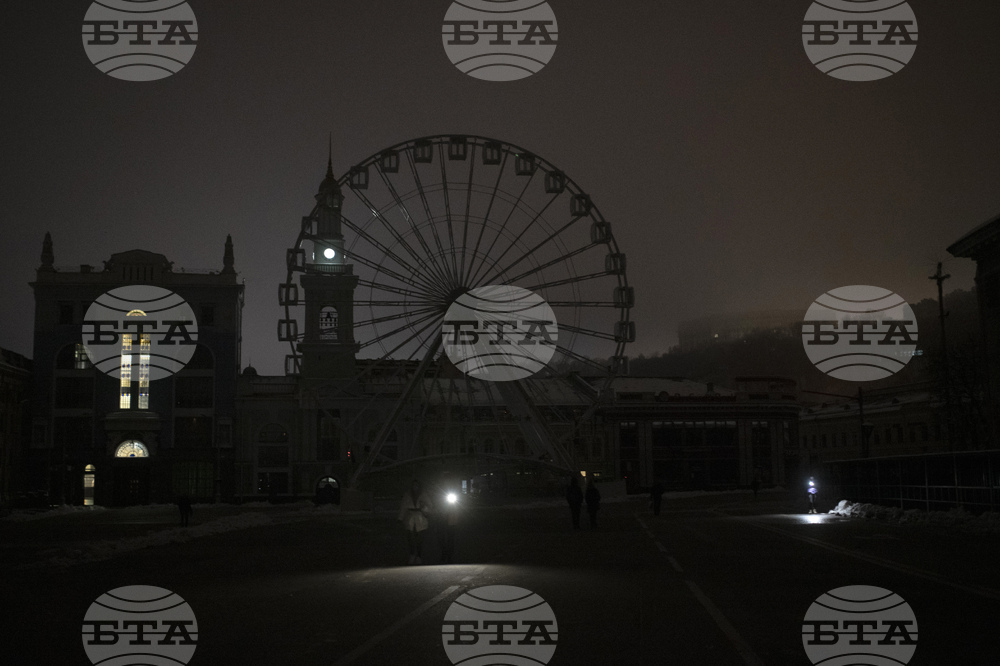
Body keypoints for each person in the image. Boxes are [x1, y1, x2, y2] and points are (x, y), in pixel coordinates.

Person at [398, 479, 432, 564]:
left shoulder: (423, 494)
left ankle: (419, 556)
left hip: (420, 518)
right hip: (410, 518)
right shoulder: (407, 495)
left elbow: (430, 505)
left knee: (419, 539)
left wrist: (424, 509)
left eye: (417, 485)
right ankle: (412, 555)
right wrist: (400, 518)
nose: (415, 487)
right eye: (414, 485)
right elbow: (403, 507)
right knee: (410, 538)